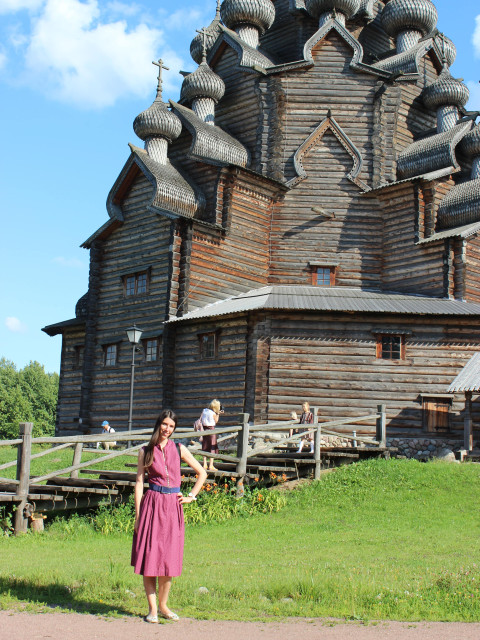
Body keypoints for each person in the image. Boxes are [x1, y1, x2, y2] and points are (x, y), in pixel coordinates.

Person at [131, 409, 207, 623]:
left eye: (171, 426)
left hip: (173, 507)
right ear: (159, 424)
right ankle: (153, 609)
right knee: (150, 558)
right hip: (152, 506)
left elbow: (202, 473)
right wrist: (138, 516)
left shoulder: (179, 448)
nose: (167, 429)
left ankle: (164, 605)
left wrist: (191, 496)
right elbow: (139, 484)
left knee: (169, 559)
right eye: (165, 424)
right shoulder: (145, 451)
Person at [200, 399, 223, 471]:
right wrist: (218, 413)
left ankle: (204, 464)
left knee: (205, 446)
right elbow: (216, 421)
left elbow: (201, 419)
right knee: (212, 446)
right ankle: (211, 465)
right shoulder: (213, 413)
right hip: (211, 430)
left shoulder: (204, 410)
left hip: (204, 430)